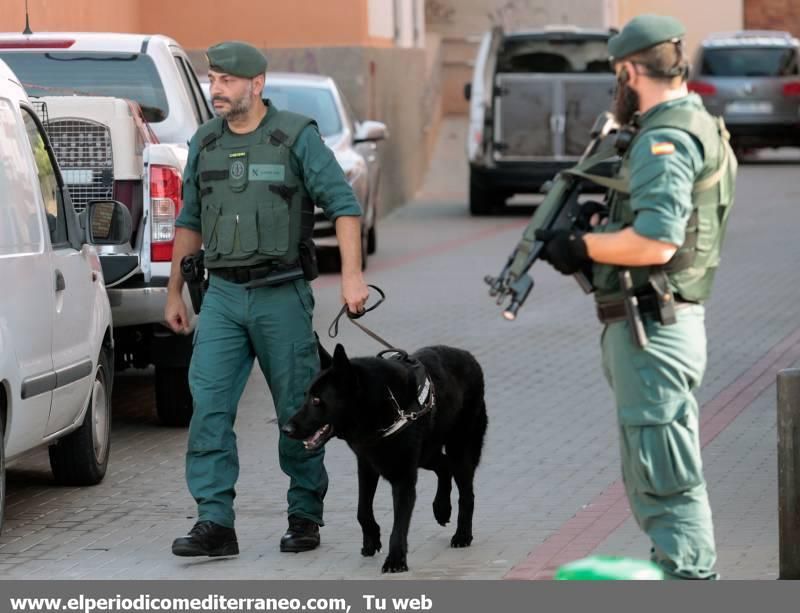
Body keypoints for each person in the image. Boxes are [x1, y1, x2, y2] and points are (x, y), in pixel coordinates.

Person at [535, 15, 736, 579]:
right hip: (656, 325)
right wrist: (604, 223)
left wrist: (583, 244)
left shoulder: (666, 135)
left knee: (665, 477)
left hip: (654, 328)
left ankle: (689, 579)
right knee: (658, 469)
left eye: (614, 76)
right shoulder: (694, 122)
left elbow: (657, 240)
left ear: (628, 70)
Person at [164, 41, 369, 557]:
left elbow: (344, 206)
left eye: (227, 81)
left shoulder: (295, 136)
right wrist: (173, 292)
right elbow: (189, 221)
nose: (217, 90)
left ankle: (304, 515)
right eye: (213, 80)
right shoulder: (205, 143)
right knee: (208, 407)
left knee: (298, 411)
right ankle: (215, 523)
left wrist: (352, 278)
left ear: (257, 84)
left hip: (282, 295)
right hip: (223, 297)